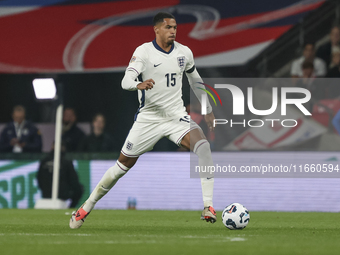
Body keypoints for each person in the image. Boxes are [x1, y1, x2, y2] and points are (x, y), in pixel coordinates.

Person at [70, 12, 216, 229]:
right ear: (156, 29)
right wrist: (136, 84)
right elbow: (126, 80)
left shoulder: (184, 53)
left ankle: (208, 206)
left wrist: (207, 108)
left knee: (203, 147)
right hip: (148, 119)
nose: (173, 31)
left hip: (176, 117)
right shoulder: (143, 52)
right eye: (168, 27)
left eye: (175, 27)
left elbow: (195, 81)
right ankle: (85, 208)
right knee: (121, 167)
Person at [37, 143, 83, 208]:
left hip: (46, 192)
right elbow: (73, 180)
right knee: (80, 189)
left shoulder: (44, 161)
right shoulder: (66, 161)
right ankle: (71, 208)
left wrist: (44, 189)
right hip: (62, 193)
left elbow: (39, 178)